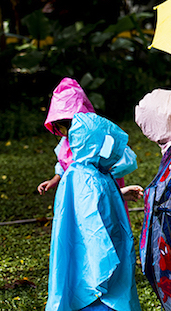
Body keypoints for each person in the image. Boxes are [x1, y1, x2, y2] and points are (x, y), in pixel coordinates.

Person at [46, 112, 142, 311]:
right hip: (96, 267)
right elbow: (91, 223)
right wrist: (102, 266)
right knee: (97, 296)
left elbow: (95, 204)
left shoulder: (94, 174)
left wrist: (120, 193)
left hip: (100, 260)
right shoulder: (84, 177)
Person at [38, 77, 143, 203]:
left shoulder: (99, 138)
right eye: (59, 128)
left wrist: (107, 173)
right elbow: (63, 165)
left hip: (102, 195)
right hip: (81, 196)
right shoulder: (65, 143)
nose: (64, 132)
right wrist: (54, 180)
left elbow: (123, 159)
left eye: (67, 126)